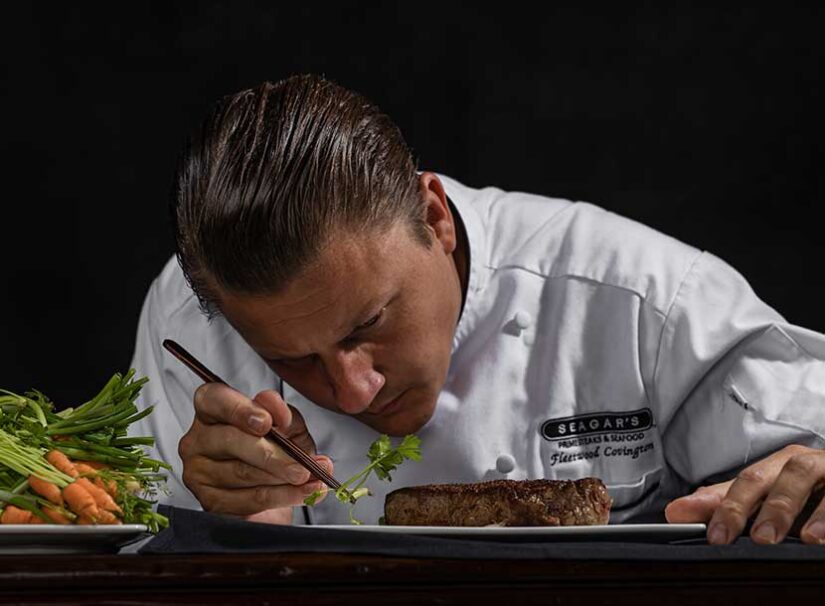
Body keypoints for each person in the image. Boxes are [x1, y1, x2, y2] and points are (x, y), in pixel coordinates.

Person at [129, 74, 825, 544]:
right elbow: (136, 559)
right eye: (290, 358)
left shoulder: (642, 296)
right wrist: (232, 529)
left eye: (368, 324)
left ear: (434, 219)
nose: (352, 390)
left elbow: (809, 458)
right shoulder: (193, 320)